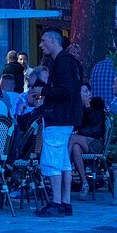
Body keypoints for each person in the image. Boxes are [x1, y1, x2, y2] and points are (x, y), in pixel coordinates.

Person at [35, 30, 83, 218]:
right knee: (63, 160)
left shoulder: (62, 63)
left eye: (43, 40)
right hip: (68, 117)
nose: (41, 45)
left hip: (58, 116)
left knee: (54, 159)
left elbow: (65, 91)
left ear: (53, 41)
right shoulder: (69, 62)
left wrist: (43, 90)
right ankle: (65, 202)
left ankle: (56, 202)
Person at [70, 83, 106, 199]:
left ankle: (65, 167)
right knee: (75, 147)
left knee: (72, 139)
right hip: (83, 142)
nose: (87, 94)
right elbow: (76, 126)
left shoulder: (97, 104)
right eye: (84, 92)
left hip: (96, 143)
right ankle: (84, 183)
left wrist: (87, 105)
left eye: (88, 91)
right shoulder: (77, 108)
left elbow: (94, 126)